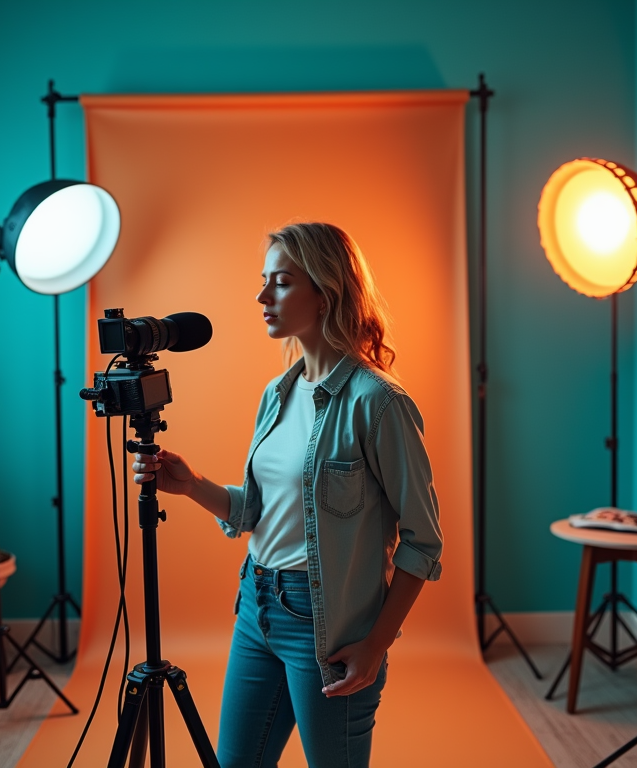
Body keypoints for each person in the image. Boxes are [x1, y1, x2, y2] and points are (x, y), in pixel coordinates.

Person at [132, 222, 443, 768]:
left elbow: (423, 542)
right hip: (257, 608)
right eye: (263, 281)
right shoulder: (276, 394)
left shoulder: (379, 403)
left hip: (328, 625)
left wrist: (375, 645)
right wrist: (191, 485)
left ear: (324, 293)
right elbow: (258, 512)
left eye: (280, 282)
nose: (261, 297)